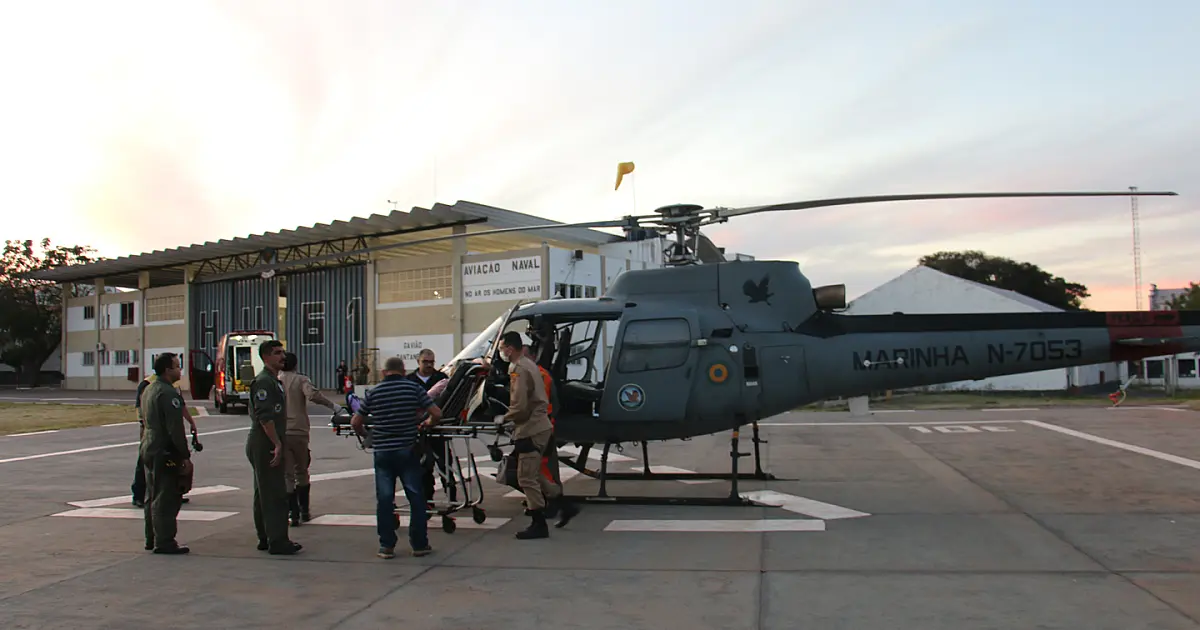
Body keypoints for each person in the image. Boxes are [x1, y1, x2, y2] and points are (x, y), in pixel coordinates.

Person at [351, 356, 442, 559]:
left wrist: (368, 436)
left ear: (384, 372)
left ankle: (386, 546)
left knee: (384, 499)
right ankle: (419, 544)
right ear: (403, 371)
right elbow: (436, 412)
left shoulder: (374, 392)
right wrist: (427, 423)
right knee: (416, 497)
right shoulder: (413, 388)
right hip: (407, 450)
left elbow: (356, 421)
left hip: (382, 452)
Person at [499, 331, 578, 539]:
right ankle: (564, 505)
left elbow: (520, 406)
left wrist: (504, 418)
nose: (501, 352)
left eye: (502, 348)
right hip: (542, 427)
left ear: (510, 348)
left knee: (526, 478)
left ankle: (538, 523)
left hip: (530, 429)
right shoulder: (529, 364)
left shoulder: (518, 369)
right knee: (537, 474)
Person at [246, 340, 302, 555]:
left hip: (267, 440)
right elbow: (265, 416)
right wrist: (277, 444)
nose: (283, 356)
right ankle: (278, 540)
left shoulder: (273, 380)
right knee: (275, 494)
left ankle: (266, 537)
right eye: (277, 353)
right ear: (266, 357)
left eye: (283, 352)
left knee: (263, 492)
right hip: (265, 441)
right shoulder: (264, 382)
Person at [140, 352, 192, 554]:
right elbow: (175, 429)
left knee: (151, 494)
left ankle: (151, 537)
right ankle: (165, 541)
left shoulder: (149, 389)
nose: (180, 370)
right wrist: (184, 456)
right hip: (164, 448)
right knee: (166, 496)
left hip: (149, 445)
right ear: (168, 370)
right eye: (177, 366)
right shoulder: (168, 393)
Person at [280, 352, 337, 526]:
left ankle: (292, 512)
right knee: (302, 471)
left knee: (287, 474)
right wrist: (333, 406)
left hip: (282, 431)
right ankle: (304, 510)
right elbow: (313, 395)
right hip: (299, 431)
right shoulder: (301, 380)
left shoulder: (276, 380)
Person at [133, 370, 197, 508]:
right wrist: (144, 425)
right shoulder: (147, 385)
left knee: (172, 462)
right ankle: (138, 494)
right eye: (176, 366)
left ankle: (173, 492)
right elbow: (140, 407)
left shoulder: (173, 387)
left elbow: (181, 405)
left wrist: (191, 422)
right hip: (151, 430)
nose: (179, 370)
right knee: (145, 462)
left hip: (167, 430)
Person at [405, 349, 450, 510]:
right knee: (424, 467)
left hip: (437, 427)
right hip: (418, 430)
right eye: (425, 362)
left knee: (445, 463)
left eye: (432, 362)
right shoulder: (409, 380)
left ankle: (451, 495)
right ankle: (427, 500)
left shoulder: (441, 379)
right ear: (418, 361)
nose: (429, 365)